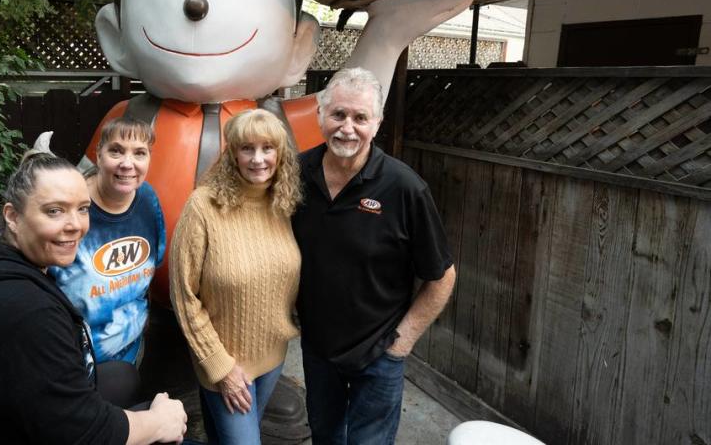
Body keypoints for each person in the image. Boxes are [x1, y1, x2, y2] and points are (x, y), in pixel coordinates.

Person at [0, 151, 186, 445]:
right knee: (164, 433)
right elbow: (84, 434)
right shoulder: (22, 311)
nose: (75, 225)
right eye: (54, 211)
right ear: (12, 216)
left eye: (83, 209)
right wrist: (158, 422)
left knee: (122, 376)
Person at [291, 67, 457, 445]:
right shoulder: (297, 174)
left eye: (360, 117)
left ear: (377, 123)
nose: (347, 127)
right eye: (338, 114)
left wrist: (402, 342)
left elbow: (442, 275)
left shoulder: (403, 187)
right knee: (324, 437)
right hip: (318, 349)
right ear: (319, 115)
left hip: (379, 354)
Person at [170, 109, 302, 444]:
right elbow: (183, 295)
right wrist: (221, 368)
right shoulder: (203, 206)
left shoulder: (283, 204)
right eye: (247, 149)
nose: (258, 159)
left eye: (267, 148)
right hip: (224, 364)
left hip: (272, 356)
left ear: (280, 154)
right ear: (233, 154)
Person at [50, 118, 166, 407]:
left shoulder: (148, 199)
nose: (128, 164)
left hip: (131, 356)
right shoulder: (71, 209)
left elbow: (155, 260)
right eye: (116, 151)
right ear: (98, 153)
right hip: (73, 368)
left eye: (139, 152)